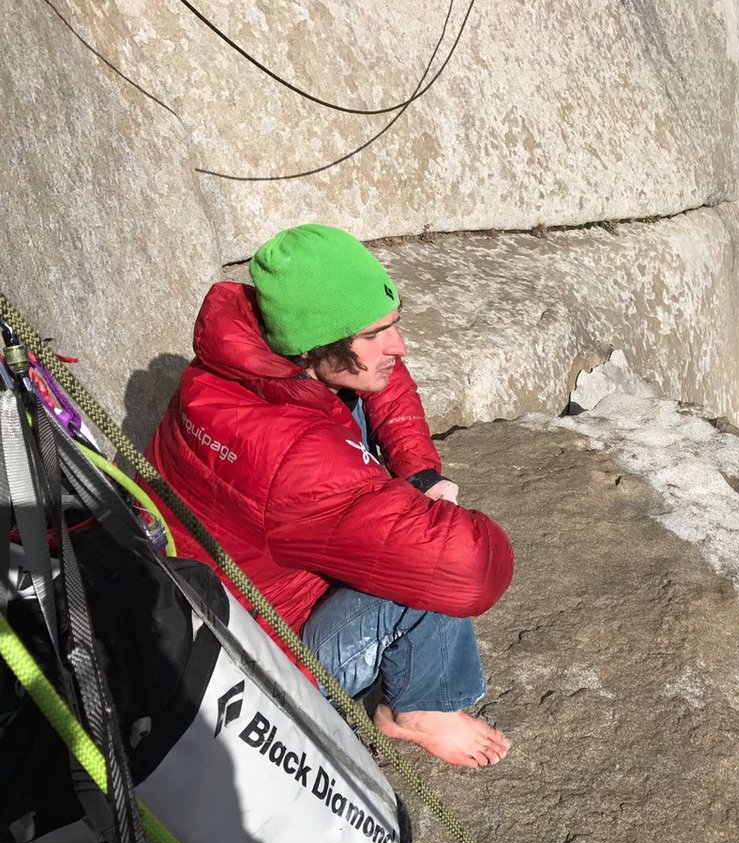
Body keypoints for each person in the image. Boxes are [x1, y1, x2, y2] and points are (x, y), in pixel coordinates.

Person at [146, 224, 514, 767]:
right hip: (275, 665)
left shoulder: (245, 367)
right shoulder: (295, 458)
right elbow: (468, 570)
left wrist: (418, 473)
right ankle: (422, 708)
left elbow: (383, 375)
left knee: (364, 399)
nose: (400, 346)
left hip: (241, 585)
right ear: (317, 344)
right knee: (430, 567)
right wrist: (431, 512)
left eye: (392, 325)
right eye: (376, 335)